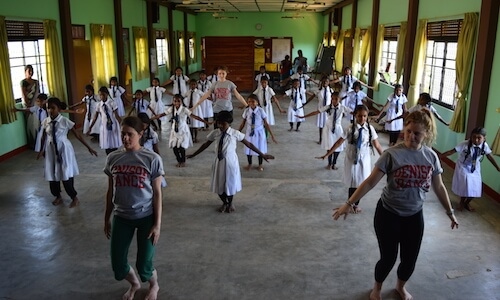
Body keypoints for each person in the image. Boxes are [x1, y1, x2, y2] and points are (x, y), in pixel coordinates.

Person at [332, 109, 459, 300]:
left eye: (417, 133)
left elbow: (439, 186)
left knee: (409, 259)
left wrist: (450, 212)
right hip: (388, 214)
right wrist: (349, 203)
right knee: (388, 258)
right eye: (408, 131)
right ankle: (377, 287)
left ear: (427, 134)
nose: (411, 136)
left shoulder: (431, 157)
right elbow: (369, 182)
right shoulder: (391, 155)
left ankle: (400, 286)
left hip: (414, 215)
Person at [103, 116, 164, 300]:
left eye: (130, 134)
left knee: (144, 265)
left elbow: (157, 193)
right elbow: (109, 191)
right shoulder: (113, 158)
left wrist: (157, 225)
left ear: (141, 134)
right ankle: (134, 284)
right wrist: (106, 218)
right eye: (123, 134)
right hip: (121, 217)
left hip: (146, 217)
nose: (126, 139)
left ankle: (154, 285)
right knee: (118, 264)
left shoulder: (152, 159)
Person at [186, 111, 274, 213]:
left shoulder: (235, 133)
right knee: (219, 184)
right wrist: (193, 154)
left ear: (229, 123)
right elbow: (205, 145)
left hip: (230, 162)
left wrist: (262, 155)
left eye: (223, 124)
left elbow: (249, 144)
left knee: (230, 184)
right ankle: (224, 202)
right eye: (219, 123)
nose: (221, 126)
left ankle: (230, 202)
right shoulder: (215, 133)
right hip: (219, 162)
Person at [316, 105, 383, 213]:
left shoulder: (370, 129)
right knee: (352, 182)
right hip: (351, 158)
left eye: (365, 116)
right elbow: (339, 142)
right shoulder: (350, 128)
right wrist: (328, 154)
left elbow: (377, 145)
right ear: (355, 115)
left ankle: (355, 204)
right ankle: (350, 203)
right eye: (360, 116)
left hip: (364, 158)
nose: (362, 119)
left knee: (361, 182)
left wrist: (386, 158)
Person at [36, 97, 98, 207]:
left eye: (53, 108)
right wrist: (41, 150)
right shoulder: (46, 121)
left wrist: (89, 147)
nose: (50, 110)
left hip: (63, 149)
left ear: (59, 109)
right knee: (52, 173)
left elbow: (77, 135)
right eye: (48, 108)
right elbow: (44, 137)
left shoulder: (65, 121)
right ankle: (57, 196)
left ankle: (74, 197)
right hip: (50, 150)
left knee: (65, 172)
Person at [441, 127, 500, 212]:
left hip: (475, 166)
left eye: (479, 138)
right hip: (463, 166)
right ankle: (462, 202)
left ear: (484, 138)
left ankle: (467, 203)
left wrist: (497, 167)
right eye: (473, 137)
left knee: (476, 187)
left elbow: (490, 157)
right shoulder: (464, 144)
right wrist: (438, 157)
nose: (476, 140)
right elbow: (451, 151)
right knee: (466, 184)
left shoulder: (484, 146)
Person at [298, 92, 350, 170]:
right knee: (329, 146)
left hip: (338, 129)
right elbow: (316, 112)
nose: (334, 101)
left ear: (340, 99)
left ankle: (334, 163)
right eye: (332, 99)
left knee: (338, 147)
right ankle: (329, 163)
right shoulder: (327, 107)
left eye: (336, 99)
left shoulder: (343, 108)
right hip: (328, 128)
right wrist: (303, 116)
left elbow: (354, 112)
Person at [155, 94, 208, 167]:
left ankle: (183, 161)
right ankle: (179, 160)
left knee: (181, 147)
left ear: (182, 102)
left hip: (183, 130)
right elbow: (163, 114)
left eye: (178, 101)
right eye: (175, 101)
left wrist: (205, 122)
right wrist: (154, 117)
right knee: (174, 147)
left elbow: (194, 116)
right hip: (174, 130)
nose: (177, 103)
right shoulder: (172, 109)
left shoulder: (184, 109)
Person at [238, 94, 277, 171]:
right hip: (249, 132)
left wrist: (272, 135)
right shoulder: (246, 111)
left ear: (257, 103)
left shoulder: (260, 111)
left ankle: (260, 164)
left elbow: (266, 123)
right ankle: (249, 163)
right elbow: (243, 123)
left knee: (260, 148)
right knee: (248, 148)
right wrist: (237, 132)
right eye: (249, 102)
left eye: (253, 101)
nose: (251, 103)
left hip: (259, 132)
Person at [87, 87, 123, 155]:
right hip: (104, 126)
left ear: (107, 94)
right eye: (100, 95)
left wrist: (122, 125)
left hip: (113, 125)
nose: (101, 96)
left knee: (113, 142)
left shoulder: (112, 103)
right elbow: (95, 117)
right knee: (107, 143)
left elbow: (116, 115)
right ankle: (109, 157)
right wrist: (90, 128)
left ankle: (114, 155)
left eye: (103, 95)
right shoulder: (99, 105)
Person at [305, 77, 333, 144]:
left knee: (328, 124)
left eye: (326, 81)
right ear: (321, 83)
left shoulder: (331, 90)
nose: (325, 83)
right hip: (321, 108)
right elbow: (311, 97)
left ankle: (327, 138)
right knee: (321, 124)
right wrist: (305, 103)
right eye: (323, 81)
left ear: (329, 83)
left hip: (328, 109)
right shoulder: (318, 90)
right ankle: (320, 139)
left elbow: (333, 99)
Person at [21, 65, 41, 148]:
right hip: (27, 105)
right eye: (29, 71)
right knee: (30, 125)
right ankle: (32, 144)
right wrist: (28, 105)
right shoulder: (23, 82)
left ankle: (38, 143)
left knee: (36, 123)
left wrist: (33, 104)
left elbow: (37, 93)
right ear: (25, 71)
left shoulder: (36, 82)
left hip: (35, 103)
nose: (30, 72)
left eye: (32, 71)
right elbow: (24, 94)